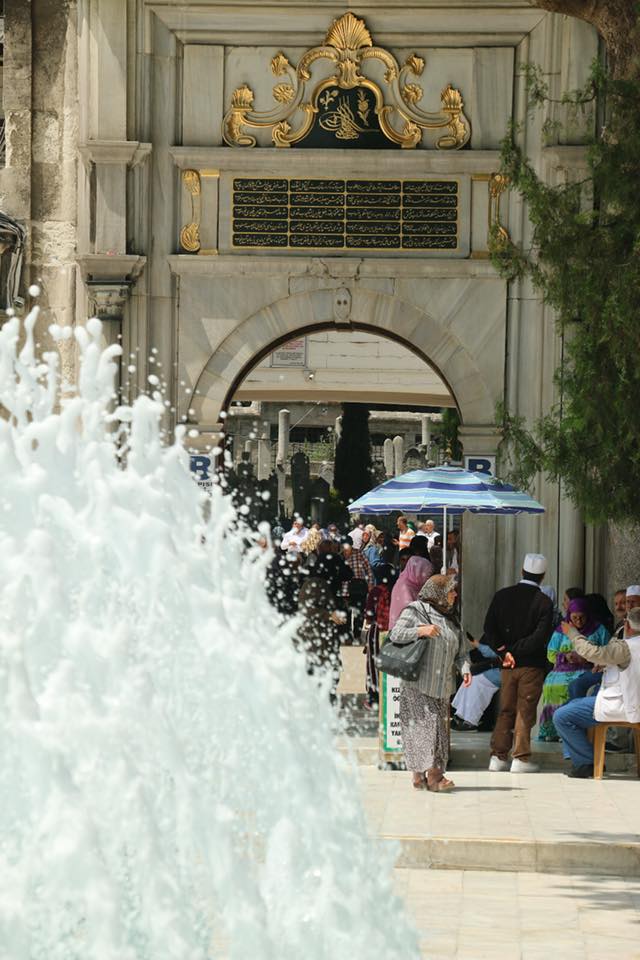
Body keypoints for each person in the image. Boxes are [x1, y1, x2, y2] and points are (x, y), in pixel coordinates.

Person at [389, 574, 470, 791]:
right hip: (417, 684)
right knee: (425, 731)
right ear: (438, 593)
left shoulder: (451, 618)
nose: (454, 594)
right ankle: (433, 778)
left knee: (433, 732)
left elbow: (462, 652)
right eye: (451, 590)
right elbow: (395, 634)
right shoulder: (416, 610)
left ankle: (423, 777)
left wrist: (465, 669)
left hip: (441, 687)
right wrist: (420, 630)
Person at [483, 553, 554, 773]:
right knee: (525, 710)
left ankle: (498, 757)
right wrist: (515, 652)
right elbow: (540, 637)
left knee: (506, 709)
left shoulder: (502, 595)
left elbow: (489, 628)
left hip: (507, 665)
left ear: (522, 571)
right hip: (531, 665)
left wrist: (504, 652)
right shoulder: (544, 602)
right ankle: (520, 758)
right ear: (543, 576)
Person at [554, 605, 640, 778]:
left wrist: (572, 633)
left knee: (562, 715)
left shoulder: (628, 647)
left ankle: (586, 762)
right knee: (574, 702)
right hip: (631, 702)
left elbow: (591, 652)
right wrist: (608, 664)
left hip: (625, 705)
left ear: (627, 626)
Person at [538, 598, 610, 741]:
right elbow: (550, 653)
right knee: (551, 686)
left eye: (582, 617)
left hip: (587, 670)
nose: (579, 621)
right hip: (560, 670)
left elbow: (607, 652)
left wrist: (588, 658)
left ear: (588, 615)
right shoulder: (561, 631)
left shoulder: (598, 630)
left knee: (573, 686)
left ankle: (571, 730)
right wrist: (565, 656)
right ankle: (552, 731)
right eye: (575, 617)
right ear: (569, 615)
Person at [296, 576, 345, 704]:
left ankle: (324, 702)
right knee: (321, 674)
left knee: (325, 674)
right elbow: (307, 609)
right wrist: (329, 615)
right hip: (317, 641)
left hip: (320, 641)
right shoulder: (315, 584)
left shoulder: (317, 583)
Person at [451, 637, 501, 731]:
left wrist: (478, 645)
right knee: (470, 678)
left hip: (504, 670)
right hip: (498, 667)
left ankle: (470, 721)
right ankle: (462, 715)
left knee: (477, 681)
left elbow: (495, 653)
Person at [362, 562, 393, 710]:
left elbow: (369, 616)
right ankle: (390, 694)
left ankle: (374, 697)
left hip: (377, 632)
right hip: (394, 631)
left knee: (374, 664)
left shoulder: (375, 591)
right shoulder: (396, 588)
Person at [341, 538, 374, 640]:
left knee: (359, 613)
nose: (346, 550)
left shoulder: (359, 554)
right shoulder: (340, 557)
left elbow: (368, 569)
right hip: (344, 589)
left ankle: (357, 635)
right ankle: (347, 636)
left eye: (347, 547)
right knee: (345, 613)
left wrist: (370, 583)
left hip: (358, 587)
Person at [388, 555, 434, 629]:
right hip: (403, 631)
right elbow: (411, 612)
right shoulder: (404, 587)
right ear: (418, 572)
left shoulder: (413, 585)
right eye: (427, 574)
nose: (428, 578)